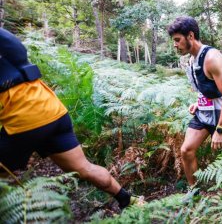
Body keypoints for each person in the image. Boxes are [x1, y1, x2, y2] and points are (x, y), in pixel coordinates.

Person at [0, 28, 135, 210]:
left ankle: (14, 211)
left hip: (24, 119)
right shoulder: (12, 51)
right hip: (53, 110)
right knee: (85, 168)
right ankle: (126, 199)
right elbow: (18, 49)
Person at [167, 16, 222, 190]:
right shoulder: (192, 60)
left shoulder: (211, 58)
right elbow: (207, 88)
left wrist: (220, 130)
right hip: (204, 114)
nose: (175, 45)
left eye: (177, 40)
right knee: (186, 150)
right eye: (174, 41)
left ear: (190, 36)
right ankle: (195, 191)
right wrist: (198, 103)